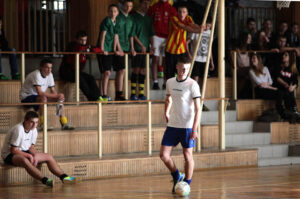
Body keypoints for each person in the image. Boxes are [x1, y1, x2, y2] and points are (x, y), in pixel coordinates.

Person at [1, 111, 77, 187]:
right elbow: (13, 150)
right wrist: (29, 156)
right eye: (32, 122)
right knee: (25, 160)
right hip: (9, 154)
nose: (34, 125)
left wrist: (35, 155)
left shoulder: (34, 130)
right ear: (25, 120)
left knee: (49, 157)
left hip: (24, 151)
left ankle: (64, 177)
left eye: (37, 122)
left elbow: (31, 147)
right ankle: (45, 180)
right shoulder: (18, 130)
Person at [160, 56, 200, 194]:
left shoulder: (193, 84)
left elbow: (198, 109)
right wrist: (166, 112)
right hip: (173, 124)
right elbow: (168, 98)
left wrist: (195, 129)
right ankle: (177, 175)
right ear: (176, 67)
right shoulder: (170, 82)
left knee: (187, 156)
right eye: (181, 68)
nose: (183, 71)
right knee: (164, 155)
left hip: (187, 126)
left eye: (186, 69)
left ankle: (187, 183)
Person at [20, 59, 73, 130]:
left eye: (51, 68)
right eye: (47, 67)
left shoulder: (50, 75)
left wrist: (58, 97)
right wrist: (57, 96)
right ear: (41, 68)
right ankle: (42, 124)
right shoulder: (36, 74)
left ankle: (63, 122)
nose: (49, 70)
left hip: (38, 97)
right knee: (43, 98)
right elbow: (40, 92)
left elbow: (53, 91)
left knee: (59, 98)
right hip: (26, 97)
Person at [164, 4, 203, 82]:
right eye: (180, 12)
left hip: (181, 50)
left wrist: (200, 27)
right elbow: (184, 27)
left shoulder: (188, 18)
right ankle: (169, 89)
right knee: (170, 71)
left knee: (182, 70)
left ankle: (180, 87)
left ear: (187, 13)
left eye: (184, 12)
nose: (182, 14)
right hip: (171, 50)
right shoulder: (174, 19)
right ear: (177, 13)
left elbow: (192, 24)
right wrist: (199, 30)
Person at [59, 31, 102, 101]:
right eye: (81, 40)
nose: (83, 42)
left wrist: (89, 49)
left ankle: (98, 97)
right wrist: (88, 49)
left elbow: (99, 50)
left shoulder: (85, 46)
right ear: (76, 39)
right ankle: (92, 99)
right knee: (80, 79)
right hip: (66, 72)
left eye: (85, 40)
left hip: (76, 71)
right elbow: (79, 49)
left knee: (90, 78)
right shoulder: (72, 45)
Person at [148, 0, 177, 89]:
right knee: (155, 59)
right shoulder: (154, 6)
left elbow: (175, 24)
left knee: (166, 61)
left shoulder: (172, 9)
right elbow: (148, 21)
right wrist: (150, 36)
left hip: (167, 37)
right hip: (156, 36)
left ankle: (165, 82)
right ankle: (155, 82)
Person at [130, 0, 154, 100]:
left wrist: (152, 46)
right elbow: (133, 34)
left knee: (143, 70)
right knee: (136, 69)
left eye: (148, 3)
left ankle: (140, 93)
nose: (146, 5)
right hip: (137, 48)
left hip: (146, 49)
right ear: (140, 4)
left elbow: (151, 34)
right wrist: (141, 45)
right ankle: (133, 93)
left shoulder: (148, 19)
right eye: (144, 3)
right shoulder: (134, 17)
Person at [97, 4, 120, 101]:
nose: (113, 13)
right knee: (105, 72)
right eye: (111, 11)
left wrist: (114, 49)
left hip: (110, 50)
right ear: (108, 12)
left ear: (117, 13)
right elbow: (103, 35)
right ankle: (103, 94)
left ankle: (103, 94)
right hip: (103, 50)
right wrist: (102, 49)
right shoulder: (106, 21)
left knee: (107, 72)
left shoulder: (116, 22)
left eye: (115, 11)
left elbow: (115, 36)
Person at [114, 0, 135, 100]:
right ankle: (119, 93)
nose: (128, 8)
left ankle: (120, 92)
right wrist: (119, 48)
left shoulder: (131, 18)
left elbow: (131, 35)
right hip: (119, 47)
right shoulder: (118, 17)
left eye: (130, 6)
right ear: (122, 5)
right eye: (126, 6)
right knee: (121, 70)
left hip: (127, 47)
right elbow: (116, 33)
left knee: (123, 71)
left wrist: (132, 48)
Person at [187, 17, 214, 83]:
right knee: (195, 79)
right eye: (206, 25)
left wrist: (211, 61)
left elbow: (209, 48)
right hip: (196, 58)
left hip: (205, 59)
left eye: (209, 27)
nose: (207, 28)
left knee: (204, 79)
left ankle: (202, 93)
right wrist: (189, 54)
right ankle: (195, 93)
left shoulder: (210, 33)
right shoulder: (195, 31)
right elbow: (186, 43)